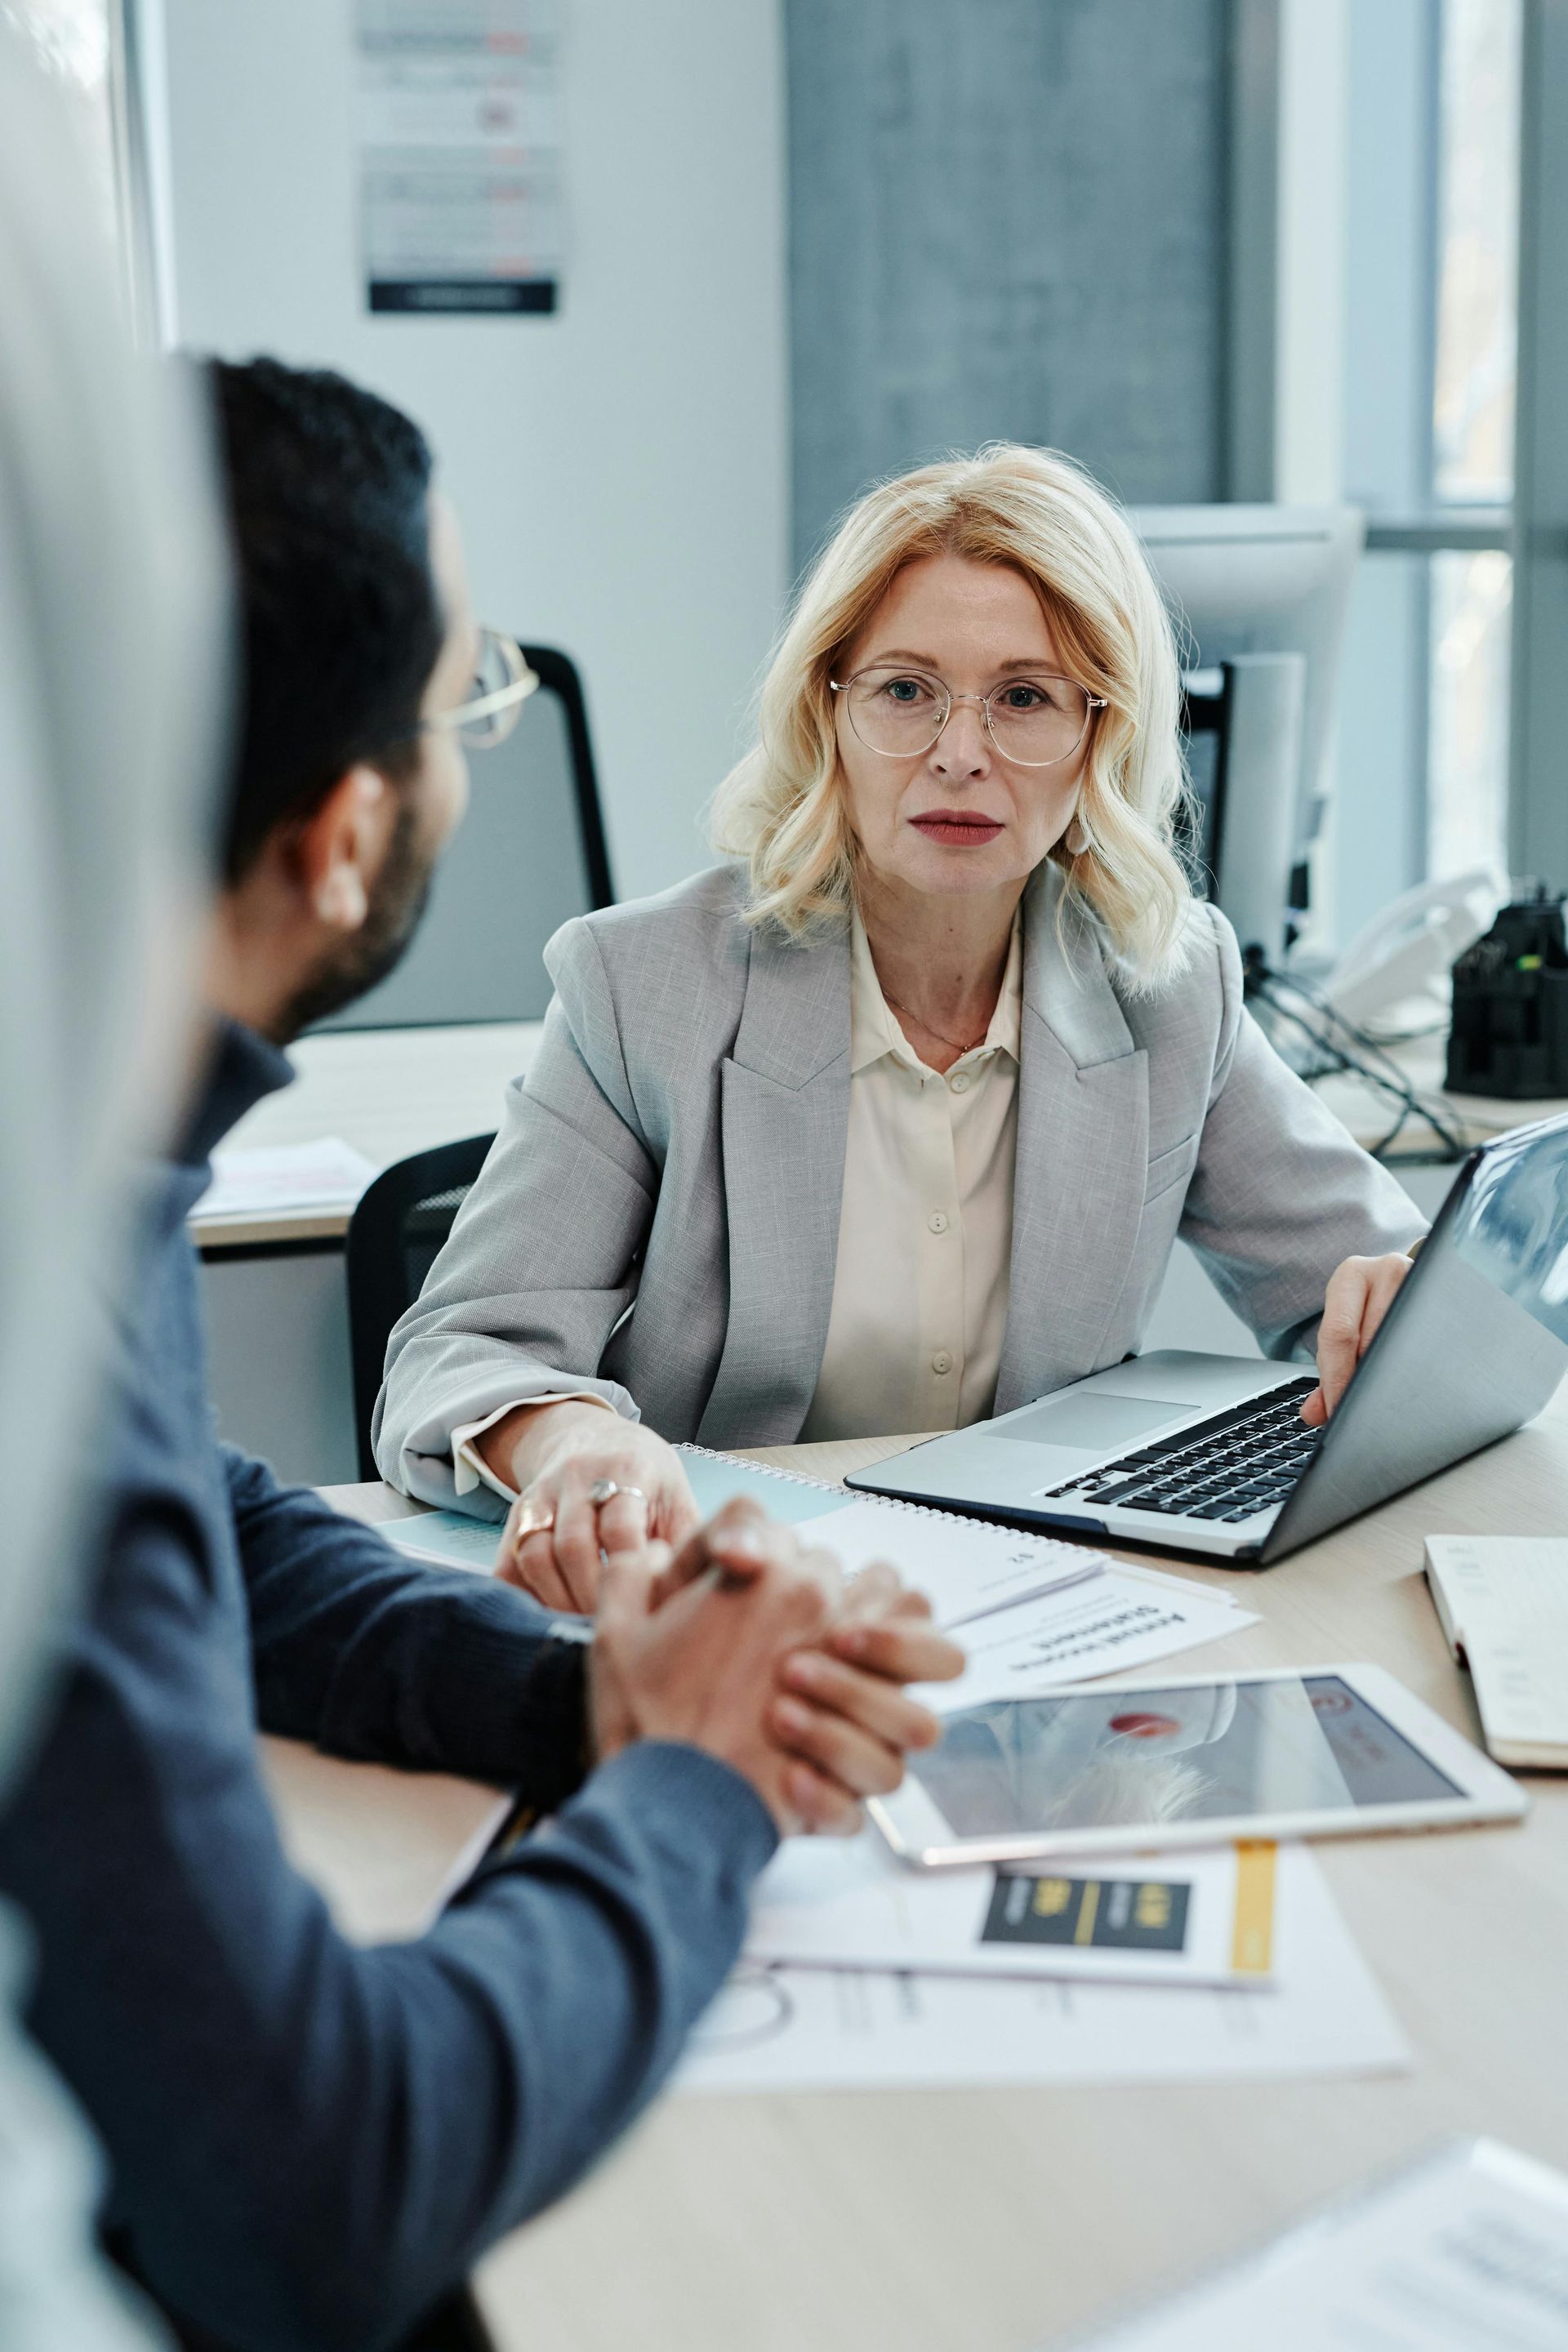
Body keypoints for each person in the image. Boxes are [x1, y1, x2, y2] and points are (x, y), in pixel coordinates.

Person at [0, 355, 962, 2352]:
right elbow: (317, 2178)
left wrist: (581, 1698)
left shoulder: (70, 1131)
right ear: (348, 833)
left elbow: (189, 1515)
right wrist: (689, 1788)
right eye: (468, 704)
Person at [374, 444, 1427, 1610]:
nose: (960, 753)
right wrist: (573, 1446)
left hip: (1045, 1602)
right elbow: (461, 1350)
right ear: (829, 713)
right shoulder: (649, 986)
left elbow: (1383, 1284)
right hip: (725, 1612)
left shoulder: (1170, 988)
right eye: (906, 691)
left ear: (1099, 735)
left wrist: (1394, 1312)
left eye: (1024, 698)